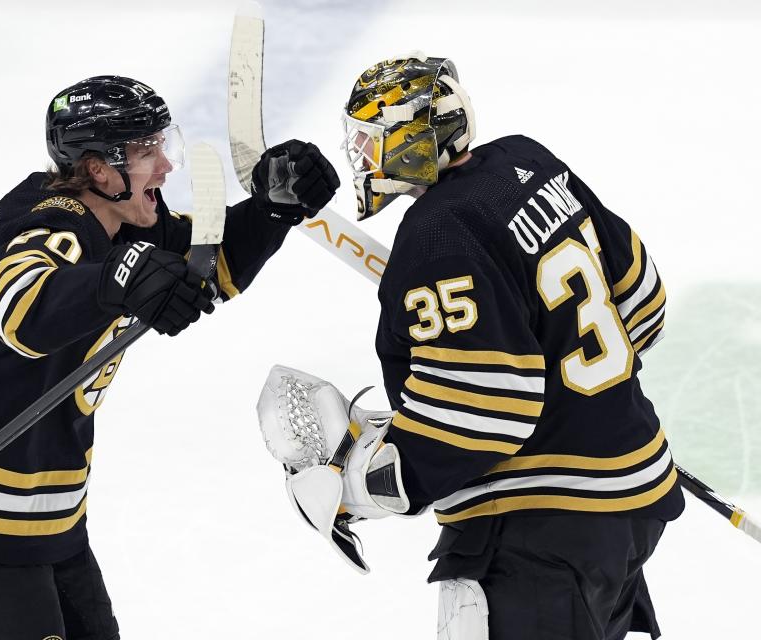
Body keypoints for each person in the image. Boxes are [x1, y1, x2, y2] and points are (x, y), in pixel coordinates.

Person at [0, 75, 339, 640]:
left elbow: (201, 267)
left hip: (43, 501)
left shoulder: (125, 223)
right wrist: (117, 282)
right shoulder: (48, 219)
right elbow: (21, 309)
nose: (165, 166)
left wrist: (270, 209)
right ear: (98, 169)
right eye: (147, 152)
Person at [259, 55, 682, 639]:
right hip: (629, 497)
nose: (360, 155)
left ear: (409, 139)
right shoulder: (528, 162)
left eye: (370, 139)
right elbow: (643, 301)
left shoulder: (435, 238)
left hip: (542, 523)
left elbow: (485, 411)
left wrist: (369, 483)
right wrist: (585, 404)